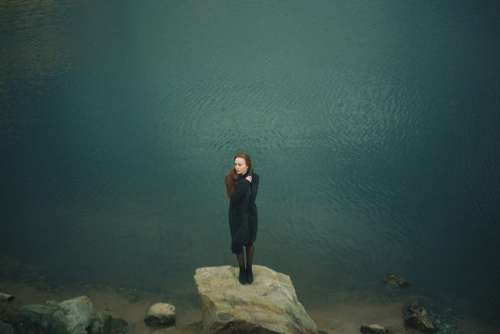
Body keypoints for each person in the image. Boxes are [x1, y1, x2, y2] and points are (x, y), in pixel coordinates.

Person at [224, 152, 259, 285]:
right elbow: (233, 199)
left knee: (249, 242)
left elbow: (252, 198)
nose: (237, 167)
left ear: (247, 165)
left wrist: (247, 182)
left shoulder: (255, 178)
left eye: (240, 164)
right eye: (235, 164)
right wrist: (244, 183)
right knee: (238, 243)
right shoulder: (229, 178)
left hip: (250, 214)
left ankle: (249, 269)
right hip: (236, 216)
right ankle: (242, 269)